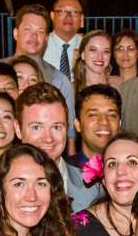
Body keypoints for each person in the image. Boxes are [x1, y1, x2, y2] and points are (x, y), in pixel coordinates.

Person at [16, 82, 94, 211]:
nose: (48, 138)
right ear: (18, 129)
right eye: (37, 127)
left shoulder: (92, 189)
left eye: (56, 127)